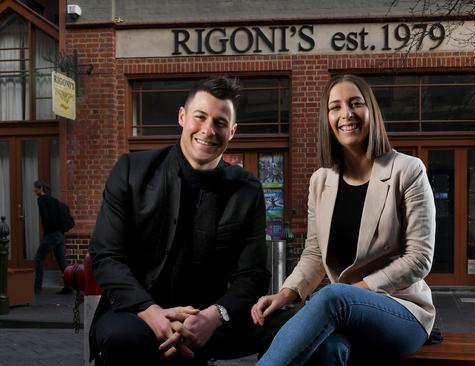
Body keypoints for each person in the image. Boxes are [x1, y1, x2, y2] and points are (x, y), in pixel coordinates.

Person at [89, 77, 279, 365]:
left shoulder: (247, 189)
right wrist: (152, 312)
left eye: (220, 122)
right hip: (136, 310)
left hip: (210, 316)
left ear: (232, 131)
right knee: (124, 339)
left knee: (285, 326)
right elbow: (106, 256)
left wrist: (215, 316)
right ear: (182, 116)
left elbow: (252, 275)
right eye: (200, 117)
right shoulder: (131, 171)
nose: (208, 130)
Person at [251, 74, 436, 365]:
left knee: (331, 297)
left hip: (403, 311)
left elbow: (419, 259)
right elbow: (314, 252)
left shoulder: (408, 171)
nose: (346, 114)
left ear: (371, 111)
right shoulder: (320, 181)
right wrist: (285, 294)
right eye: (335, 107)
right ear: (327, 119)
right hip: (344, 313)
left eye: (355, 104)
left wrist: (352, 292)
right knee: (328, 350)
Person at [33, 180, 70, 294]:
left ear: (40, 188)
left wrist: (47, 233)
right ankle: (69, 286)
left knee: (39, 258)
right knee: (61, 261)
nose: (34, 190)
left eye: (35, 188)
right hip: (59, 234)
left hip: (51, 234)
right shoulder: (54, 200)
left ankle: (37, 287)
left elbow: (45, 216)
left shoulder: (41, 199)